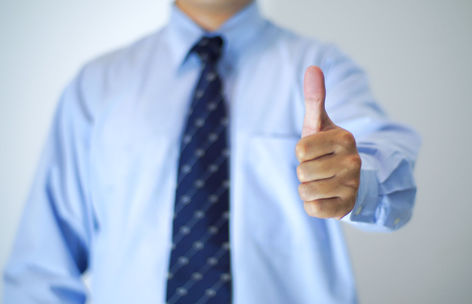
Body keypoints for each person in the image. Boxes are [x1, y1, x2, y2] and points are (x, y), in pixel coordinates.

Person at [3, 0, 420, 303]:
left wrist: (355, 180)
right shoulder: (96, 86)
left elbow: (384, 164)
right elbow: (41, 270)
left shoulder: (322, 68)